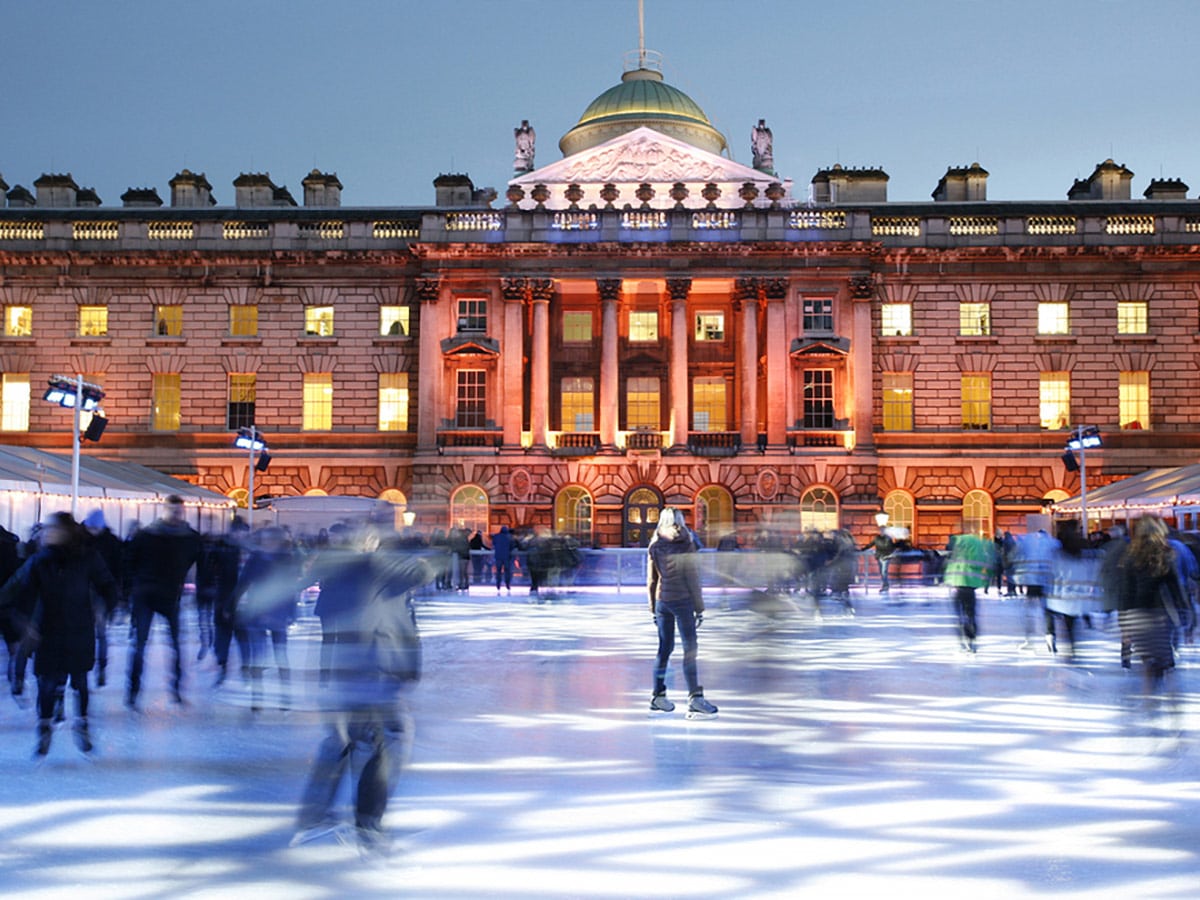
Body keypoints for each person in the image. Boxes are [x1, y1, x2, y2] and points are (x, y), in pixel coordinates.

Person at [292, 538, 432, 856]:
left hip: (359, 671)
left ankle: (315, 816)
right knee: (388, 740)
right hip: (372, 671)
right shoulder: (378, 571)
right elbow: (420, 573)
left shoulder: (363, 577)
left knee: (346, 741)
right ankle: (367, 826)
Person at [0, 512, 120, 756]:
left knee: (80, 683)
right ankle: (44, 728)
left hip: (79, 630)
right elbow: (17, 591)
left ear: (67, 532)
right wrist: (23, 622)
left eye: (52, 529)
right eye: (45, 530)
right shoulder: (39, 561)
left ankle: (82, 724)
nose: (46, 533)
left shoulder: (87, 558)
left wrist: (105, 608)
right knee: (47, 684)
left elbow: (107, 584)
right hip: (48, 632)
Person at [124, 495, 202, 709]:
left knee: (175, 645)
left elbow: (199, 562)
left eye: (179, 511)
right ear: (165, 510)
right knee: (140, 645)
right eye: (173, 511)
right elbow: (130, 561)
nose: (177, 515)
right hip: (146, 594)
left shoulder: (190, 538)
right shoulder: (146, 535)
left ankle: (175, 689)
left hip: (169, 596)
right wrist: (132, 588)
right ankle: (133, 691)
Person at [647, 507, 716, 717]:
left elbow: (652, 581)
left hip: (662, 601)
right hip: (683, 601)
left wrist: (652, 608)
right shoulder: (687, 543)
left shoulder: (655, 544)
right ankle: (695, 697)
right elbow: (693, 578)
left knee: (664, 649)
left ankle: (658, 696)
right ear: (680, 521)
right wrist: (699, 608)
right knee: (689, 650)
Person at [1114, 516, 1184, 692]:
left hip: (1136, 616)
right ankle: (1171, 700)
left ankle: (1149, 701)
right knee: (1165, 661)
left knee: (1148, 661)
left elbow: (1125, 593)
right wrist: (1183, 614)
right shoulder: (1165, 555)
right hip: (1159, 615)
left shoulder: (1129, 557)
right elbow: (1175, 588)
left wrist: (1124, 625)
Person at [81, 509, 124, 688]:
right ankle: (84, 667)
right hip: (81, 591)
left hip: (101, 593)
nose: (93, 532)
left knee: (100, 631)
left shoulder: (111, 542)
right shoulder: (79, 539)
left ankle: (101, 667)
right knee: (84, 631)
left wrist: (116, 596)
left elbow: (118, 569)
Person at [943, 527, 996, 653]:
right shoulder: (978, 544)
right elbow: (986, 564)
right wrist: (986, 581)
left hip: (956, 583)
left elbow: (947, 561)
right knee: (970, 614)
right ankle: (971, 639)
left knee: (959, 615)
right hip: (971, 585)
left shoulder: (957, 543)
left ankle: (963, 640)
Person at [491, 524, 514, 594]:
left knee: (498, 571)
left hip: (498, 556)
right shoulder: (509, 537)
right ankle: (507, 584)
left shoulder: (496, 536)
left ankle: (498, 584)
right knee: (507, 571)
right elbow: (512, 546)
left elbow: (493, 544)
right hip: (507, 556)